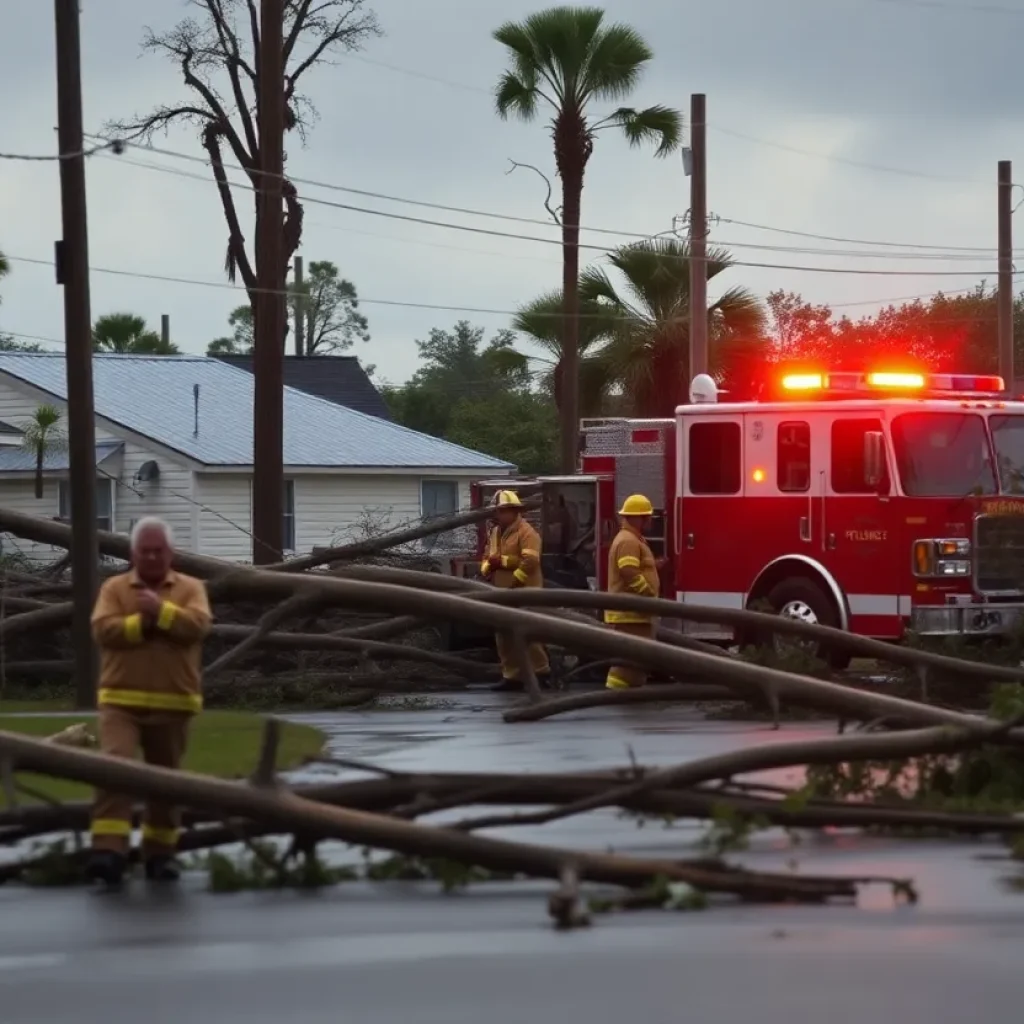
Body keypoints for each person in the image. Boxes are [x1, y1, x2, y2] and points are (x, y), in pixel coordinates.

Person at [86, 516, 212, 887]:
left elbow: (198, 627)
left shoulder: (191, 588)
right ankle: (109, 851)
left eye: (159, 551)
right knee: (115, 768)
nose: (153, 557)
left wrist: (162, 612)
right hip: (120, 701)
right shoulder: (114, 588)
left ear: (170, 553)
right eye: (146, 551)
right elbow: (102, 631)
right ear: (133, 553)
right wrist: (141, 623)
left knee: (165, 784)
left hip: (174, 703)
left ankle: (160, 855)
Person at [480, 489, 551, 692]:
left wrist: (510, 575)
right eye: (497, 511)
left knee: (530, 634)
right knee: (503, 636)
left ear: (514, 511)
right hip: (501, 592)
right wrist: (487, 569)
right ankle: (511, 676)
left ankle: (541, 672)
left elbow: (530, 561)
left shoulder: (527, 533)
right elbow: (486, 558)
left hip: (525, 591)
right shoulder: (495, 533)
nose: (498, 515)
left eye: (502, 511)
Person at [604, 494, 662, 690]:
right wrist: (647, 593)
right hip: (630, 615)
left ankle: (630, 696)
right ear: (636, 518)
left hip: (635, 615)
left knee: (636, 664)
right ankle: (615, 696)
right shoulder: (628, 541)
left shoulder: (633, 539)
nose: (650, 520)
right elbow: (628, 571)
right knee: (626, 665)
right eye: (647, 517)